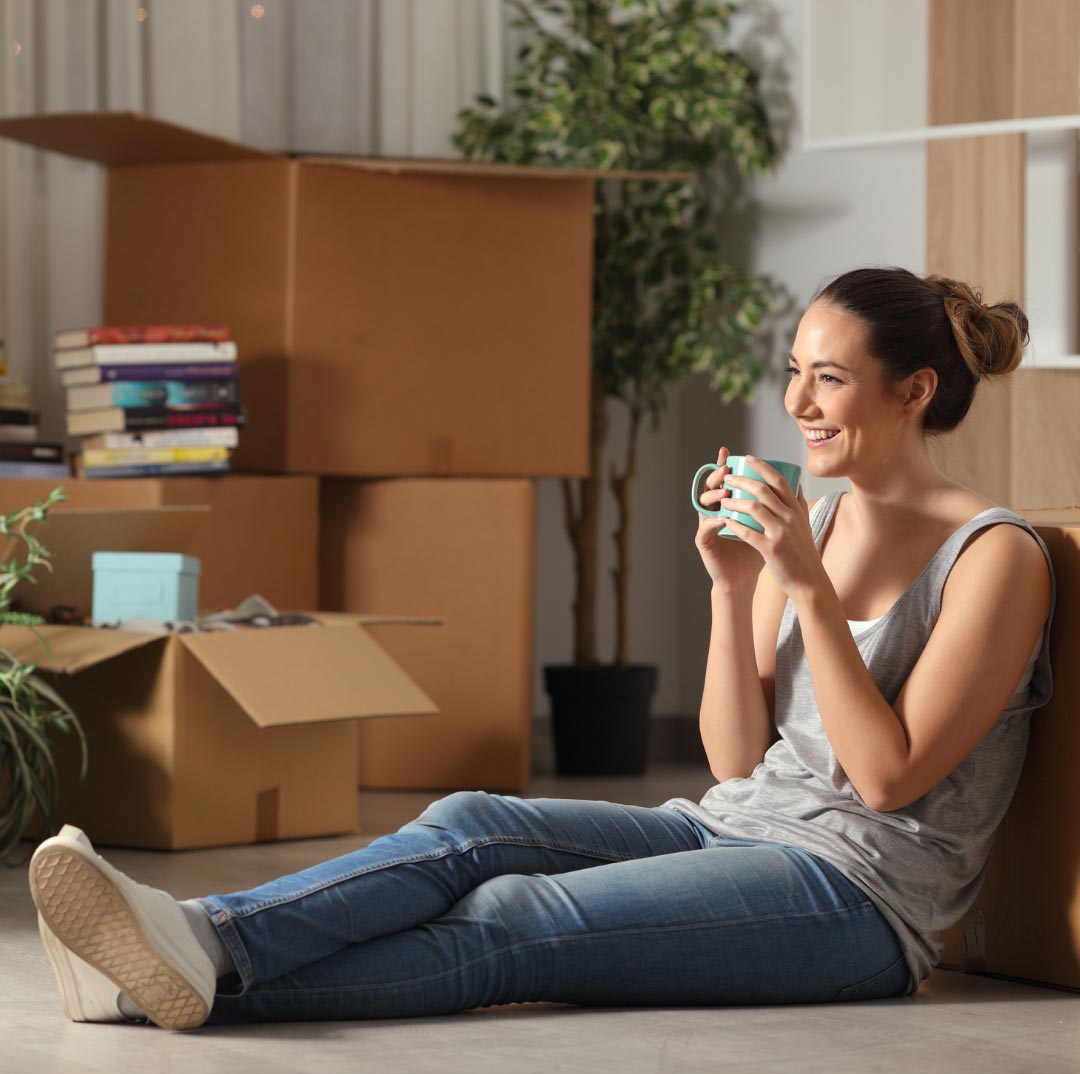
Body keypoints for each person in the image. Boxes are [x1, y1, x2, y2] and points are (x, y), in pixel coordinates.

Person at [28, 266, 1054, 1030]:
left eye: (829, 379)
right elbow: (737, 761)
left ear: (915, 391)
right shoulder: (822, 526)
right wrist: (730, 589)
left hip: (860, 901)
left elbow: (883, 779)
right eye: (793, 373)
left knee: (517, 917)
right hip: (734, 826)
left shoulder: (994, 557)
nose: (796, 405)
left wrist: (804, 591)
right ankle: (196, 940)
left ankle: (153, 980)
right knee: (475, 823)